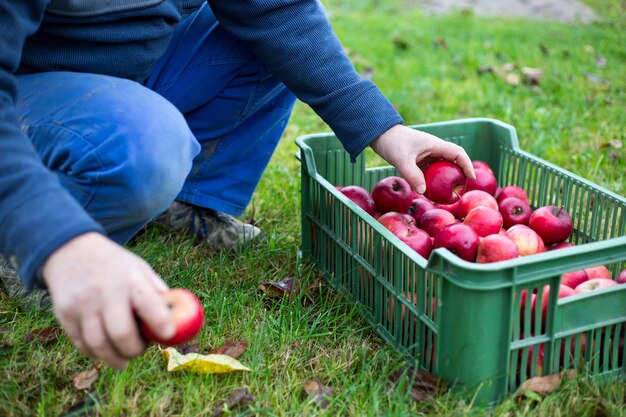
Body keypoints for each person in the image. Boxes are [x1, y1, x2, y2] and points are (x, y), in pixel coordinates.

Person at [0, 0, 474, 370]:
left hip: (123, 65)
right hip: (27, 86)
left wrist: (382, 130)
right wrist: (57, 240)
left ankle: (186, 203)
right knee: (148, 142)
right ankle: (31, 244)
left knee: (279, 41)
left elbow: (275, 11)